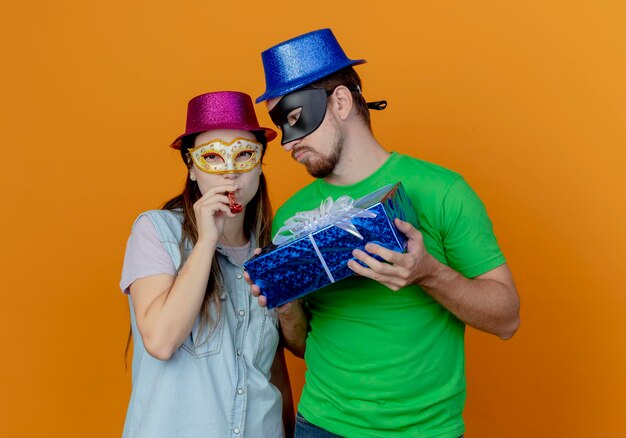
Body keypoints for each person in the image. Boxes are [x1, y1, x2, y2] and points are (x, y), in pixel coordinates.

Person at [250, 29, 521, 438]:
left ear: (340, 102)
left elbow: (507, 319)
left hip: (427, 431)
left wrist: (429, 273)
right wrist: (283, 302)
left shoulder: (442, 191)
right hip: (322, 425)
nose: (288, 144)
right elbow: (305, 346)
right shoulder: (292, 217)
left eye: (294, 119)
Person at [120, 91, 294, 437]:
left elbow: (274, 370)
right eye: (212, 157)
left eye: (244, 155)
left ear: (260, 165)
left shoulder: (272, 248)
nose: (230, 174)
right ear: (192, 168)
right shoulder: (156, 231)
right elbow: (161, 340)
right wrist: (206, 241)